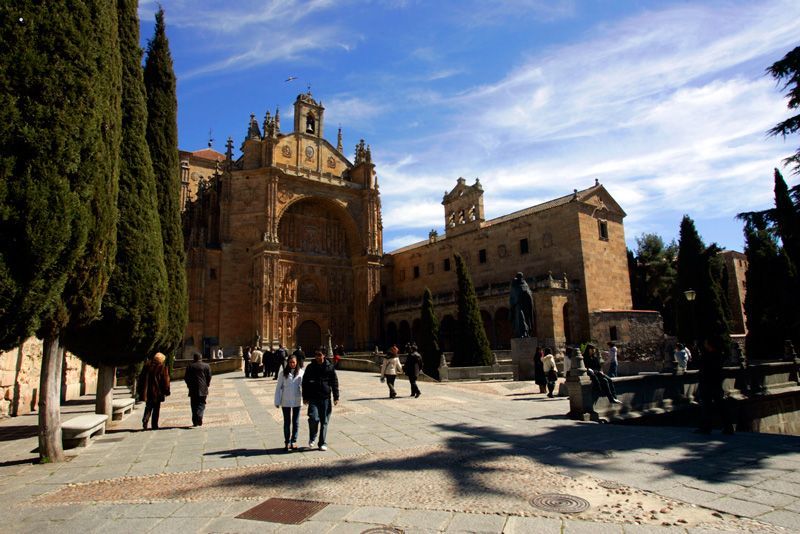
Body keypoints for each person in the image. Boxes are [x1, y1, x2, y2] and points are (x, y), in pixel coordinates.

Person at [302, 349, 339, 451]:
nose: (317, 357)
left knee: (324, 421)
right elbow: (305, 382)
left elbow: (334, 382)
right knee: (313, 418)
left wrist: (336, 396)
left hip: (325, 397)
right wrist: (305, 397)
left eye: (319, 355)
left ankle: (322, 442)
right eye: (316, 355)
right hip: (313, 397)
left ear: (324, 355)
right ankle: (312, 436)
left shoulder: (329, 367)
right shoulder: (310, 367)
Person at [697, 337, 734, 434]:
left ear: (709, 344)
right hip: (716, 383)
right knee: (720, 406)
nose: (704, 344)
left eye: (706, 343)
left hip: (708, 383)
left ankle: (706, 427)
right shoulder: (719, 355)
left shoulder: (708, 356)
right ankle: (728, 427)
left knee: (707, 406)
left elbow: (704, 370)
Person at [274, 355, 304, 451]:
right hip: (285, 400)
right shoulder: (283, 373)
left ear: (296, 362)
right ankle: (287, 441)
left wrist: (306, 398)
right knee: (287, 422)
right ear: (288, 363)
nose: (292, 364)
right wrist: (277, 401)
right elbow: (278, 388)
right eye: (290, 362)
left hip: (297, 400)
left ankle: (294, 441)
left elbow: (305, 386)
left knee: (296, 422)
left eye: (293, 362)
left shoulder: (301, 373)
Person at [137, 352, 171, 430]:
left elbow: (141, 379)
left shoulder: (147, 366)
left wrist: (140, 390)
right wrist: (167, 391)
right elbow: (165, 380)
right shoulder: (162, 367)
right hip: (157, 391)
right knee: (156, 408)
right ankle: (154, 425)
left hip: (147, 391)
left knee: (148, 406)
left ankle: (145, 419)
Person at [184, 352, 212, 427]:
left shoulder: (190, 366)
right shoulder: (206, 366)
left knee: (193, 404)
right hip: (203, 388)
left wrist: (189, 385)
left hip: (193, 389)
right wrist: (207, 384)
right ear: (201, 358)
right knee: (202, 404)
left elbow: (186, 378)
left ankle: (195, 421)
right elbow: (209, 376)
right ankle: (199, 416)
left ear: (194, 358)